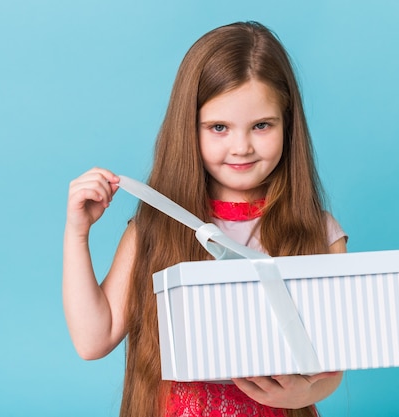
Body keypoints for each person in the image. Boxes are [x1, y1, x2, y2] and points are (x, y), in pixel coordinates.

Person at [63, 21, 347, 417]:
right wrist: (77, 234)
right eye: (218, 127)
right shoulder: (156, 227)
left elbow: (333, 364)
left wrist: (300, 396)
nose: (241, 147)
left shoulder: (321, 233)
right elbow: (93, 340)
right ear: (189, 130)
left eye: (262, 125)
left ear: (289, 125)